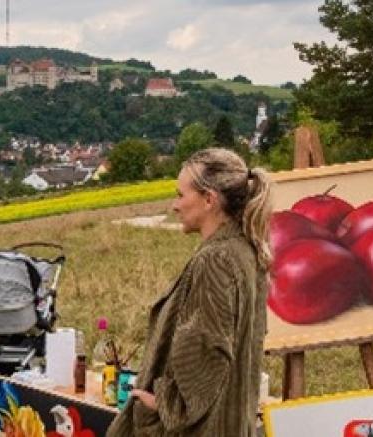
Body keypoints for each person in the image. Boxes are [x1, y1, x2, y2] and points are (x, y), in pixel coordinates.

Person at [107, 148, 273, 437]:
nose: (174, 205)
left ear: (209, 199)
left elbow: (206, 350)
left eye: (181, 195)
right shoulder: (245, 250)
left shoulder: (216, 260)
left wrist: (165, 404)